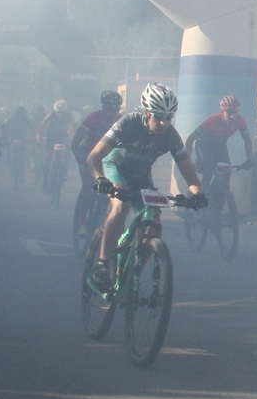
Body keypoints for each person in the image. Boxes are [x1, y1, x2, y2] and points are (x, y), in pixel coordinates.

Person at [85, 83, 205, 288]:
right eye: (158, 116)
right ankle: (103, 266)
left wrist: (197, 194)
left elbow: (189, 174)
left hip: (140, 176)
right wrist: (100, 179)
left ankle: (132, 273)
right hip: (115, 166)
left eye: (169, 117)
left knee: (154, 221)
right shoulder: (128, 123)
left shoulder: (171, 136)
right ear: (147, 113)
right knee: (122, 205)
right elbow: (94, 157)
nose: (163, 122)